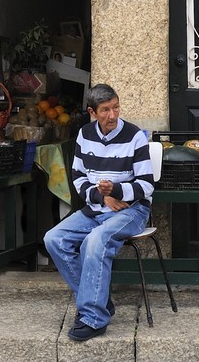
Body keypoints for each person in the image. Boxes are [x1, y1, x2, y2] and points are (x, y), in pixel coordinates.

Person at [43, 83, 154, 342]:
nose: (113, 115)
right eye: (105, 110)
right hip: (95, 208)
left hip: (131, 211)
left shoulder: (135, 136)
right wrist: (102, 195)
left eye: (116, 107)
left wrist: (116, 190)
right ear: (93, 112)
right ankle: (98, 299)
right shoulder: (84, 135)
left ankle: (94, 317)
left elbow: (147, 184)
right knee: (53, 239)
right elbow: (78, 177)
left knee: (95, 241)